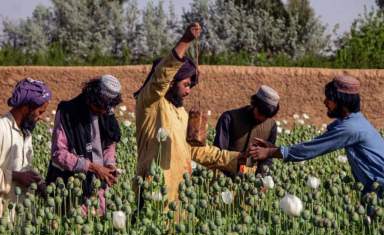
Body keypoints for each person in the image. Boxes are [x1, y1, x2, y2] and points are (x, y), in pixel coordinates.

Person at [134, 23, 250, 203]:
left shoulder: (181, 113)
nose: (189, 91)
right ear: (172, 82)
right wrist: (185, 41)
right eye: (186, 85)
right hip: (154, 191)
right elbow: (160, 78)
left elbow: (195, 149)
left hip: (179, 192)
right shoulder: (150, 103)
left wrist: (236, 158)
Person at [249, 75, 384, 195]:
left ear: (342, 102)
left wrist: (269, 152)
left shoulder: (351, 128)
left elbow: (309, 149)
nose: (325, 102)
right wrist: (273, 148)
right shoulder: (357, 121)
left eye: (329, 98)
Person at [46, 75, 122, 213]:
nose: (102, 112)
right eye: (100, 108)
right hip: (71, 191)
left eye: (106, 110)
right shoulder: (67, 113)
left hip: (98, 190)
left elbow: (109, 144)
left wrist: (109, 165)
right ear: (90, 98)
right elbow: (58, 153)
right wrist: (93, 167)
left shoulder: (106, 113)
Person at [0, 78, 51, 229]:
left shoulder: (26, 132)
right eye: (40, 112)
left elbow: (23, 167)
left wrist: (36, 180)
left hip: (19, 211)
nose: (41, 117)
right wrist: (16, 176)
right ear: (26, 108)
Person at [214, 85, 279, 176]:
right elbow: (217, 153)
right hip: (225, 177)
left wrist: (263, 177)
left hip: (252, 182)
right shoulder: (229, 119)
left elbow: (267, 159)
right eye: (260, 113)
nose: (262, 118)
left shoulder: (271, 126)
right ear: (254, 104)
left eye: (267, 116)